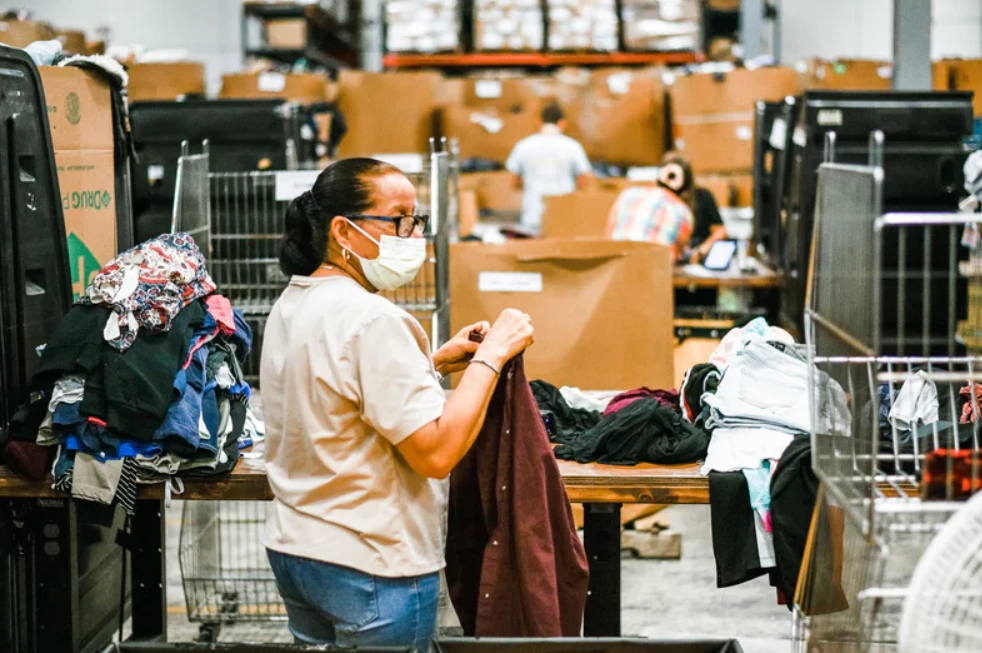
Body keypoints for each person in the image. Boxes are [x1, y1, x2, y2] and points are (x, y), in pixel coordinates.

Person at [260, 158, 535, 651]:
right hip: (370, 564)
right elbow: (435, 452)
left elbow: (337, 395)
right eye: (398, 220)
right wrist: (490, 360)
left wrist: (433, 362)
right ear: (344, 230)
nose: (412, 235)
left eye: (416, 220)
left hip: (298, 552)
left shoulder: (296, 302)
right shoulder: (372, 319)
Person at [505, 103, 592, 233]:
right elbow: (585, 180)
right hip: (564, 216)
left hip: (533, 214)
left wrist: (529, 183)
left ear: (539, 121)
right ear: (562, 123)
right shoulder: (573, 147)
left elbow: (512, 181)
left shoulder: (523, 146)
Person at [606, 151, 695, 260]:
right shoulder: (683, 213)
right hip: (650, 272)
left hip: (616, 269)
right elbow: (677, 255)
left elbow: (608, 238)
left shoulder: (628, 194)